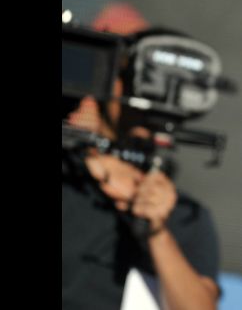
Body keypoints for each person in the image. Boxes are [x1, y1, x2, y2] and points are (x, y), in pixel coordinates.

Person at [62, 27, 221, 310]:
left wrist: (157, 232)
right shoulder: (68, 176)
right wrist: (92, 159)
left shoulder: (186, 216)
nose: (152, 102)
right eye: (136, 79)